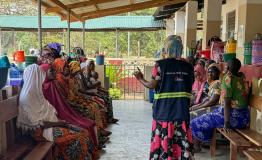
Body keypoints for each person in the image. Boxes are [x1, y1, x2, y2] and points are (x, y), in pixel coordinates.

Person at [17, 64, 98, 160]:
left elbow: (47, 112)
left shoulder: (35, 92)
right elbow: (38, 124)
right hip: (41, 132)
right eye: (40, 76)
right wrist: (59, 123)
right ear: (35, 77)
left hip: (51, 125)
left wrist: (60, 122)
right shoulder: (27, 97)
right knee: (80, 137)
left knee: (84, 132)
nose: (42, 79)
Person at [134, 35, 194, 160]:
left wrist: (140, 78)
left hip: (164, 113)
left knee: (163, 143)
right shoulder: (188, 67)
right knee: (181, 144)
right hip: (181, 113)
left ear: (167, 48)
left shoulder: (160, 65)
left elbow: (151, 85)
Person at [190, 58, 250, 149]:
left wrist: (227, 123)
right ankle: (203, 141)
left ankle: (199, 144)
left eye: (225, 66)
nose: (224, 68)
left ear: (228, 67)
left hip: (234, 117)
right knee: (207, 115)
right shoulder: (241, 78)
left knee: (195, 122)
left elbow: (226, 103)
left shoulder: (228, 80)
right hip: (244, 116)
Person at [40, 60, 98, 146]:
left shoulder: (53, 83)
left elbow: (61, 101)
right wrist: (59, 121)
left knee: (90, 116)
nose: (54, 72)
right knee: (85, 124)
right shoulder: (50, 84)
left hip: (62, 112)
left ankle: (98, 138)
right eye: (51, 70)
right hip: (55, 118)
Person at [190, 64, 221, 152]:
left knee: (194, 115)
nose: (210, 74)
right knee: (192, 112)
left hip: (216, 109)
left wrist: (197, 108)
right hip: (211, 107)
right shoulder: (211, 84)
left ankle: (196, 146)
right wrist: (196, 106)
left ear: (218, 74)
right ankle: (195, 143)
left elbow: (213, 101)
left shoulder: (217, 83)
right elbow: (206, 101)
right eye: (209, 72)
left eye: (213, 72)